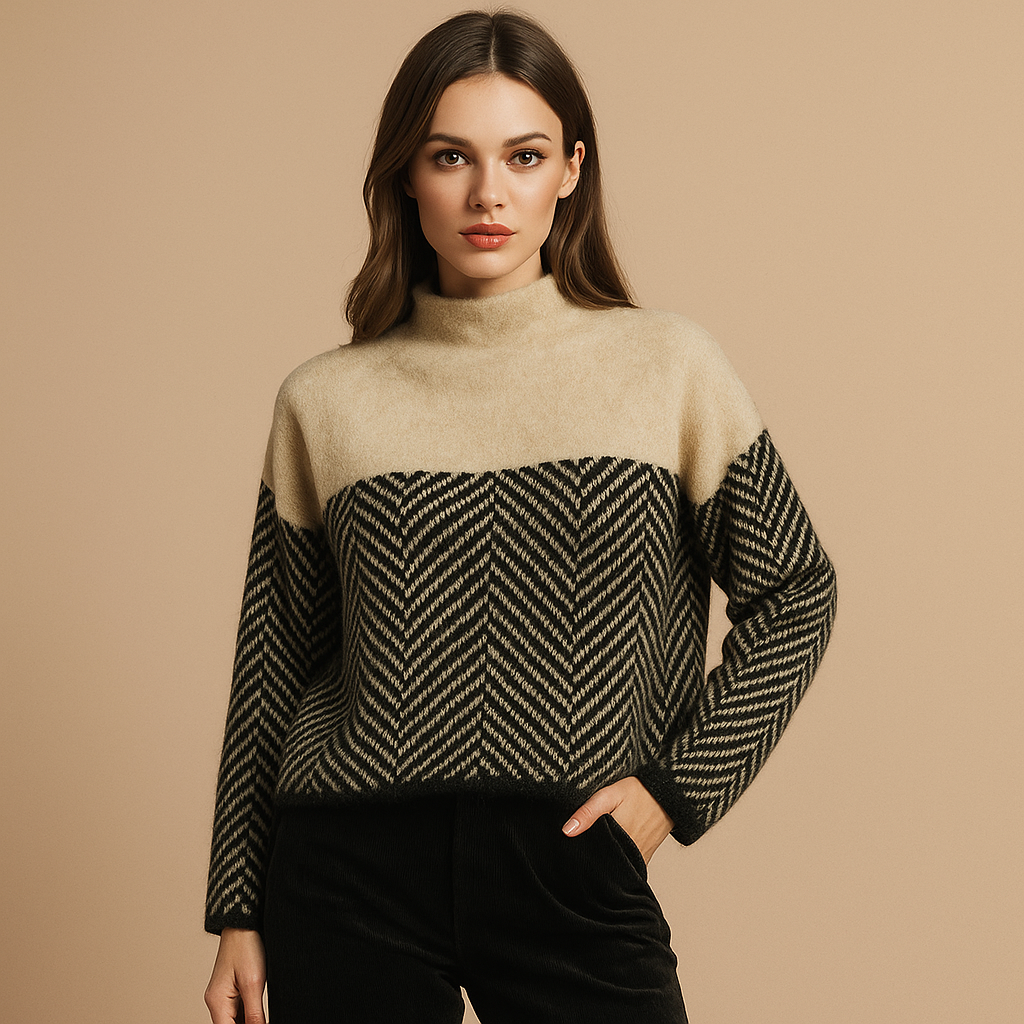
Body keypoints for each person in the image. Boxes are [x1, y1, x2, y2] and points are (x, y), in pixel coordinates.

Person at [203, 10, 837, 1024]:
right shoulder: (325, 400)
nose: (487, 194)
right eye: (450, 156)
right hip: (346, 869)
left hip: (571, 860)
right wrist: (238, 907)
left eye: (524, 156)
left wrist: (670, 794)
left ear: (571, 169)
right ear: (406, 176)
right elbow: (273, 662)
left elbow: (797, 589)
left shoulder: (668, 368)